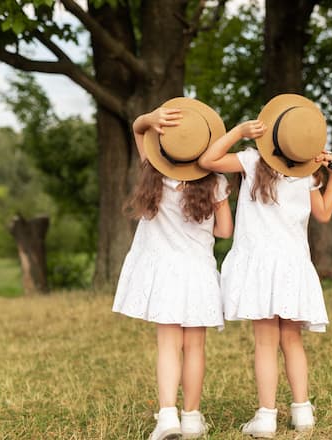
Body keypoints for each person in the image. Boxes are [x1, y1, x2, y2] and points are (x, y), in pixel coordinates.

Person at [197, 94, 332, 438]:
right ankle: (302, 411)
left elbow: (207, 159)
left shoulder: (251, 159)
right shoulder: (306, 175)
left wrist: (239, 131)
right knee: (292, 341)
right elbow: (324, 213)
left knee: (265, 343)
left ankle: (266, 417)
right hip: (293, 267)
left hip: (261, 264)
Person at [112, 97, 233, 440]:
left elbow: (138, 128)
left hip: (163, 274)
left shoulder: (152, 170)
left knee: (168, 346)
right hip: (198, 274)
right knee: (195, 347)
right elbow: (225, 232)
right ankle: (192, 418)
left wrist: (151, 118)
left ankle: (167, 418)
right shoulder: (215, 182)